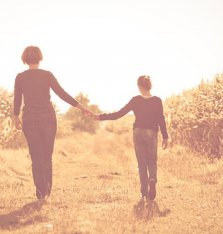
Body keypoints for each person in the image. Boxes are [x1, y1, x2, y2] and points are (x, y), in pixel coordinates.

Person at [13, 46, 92, 200]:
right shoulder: (47, 75)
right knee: (46, 157)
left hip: (30, 119)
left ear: (25, 58)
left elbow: (17, 100)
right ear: (40, 57)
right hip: (48, 119)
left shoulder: (20, 77)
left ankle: (41, 193)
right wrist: (81, 107)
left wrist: (16, 117)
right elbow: (62, 93)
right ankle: (47, 192)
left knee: (36, 157)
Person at [93, 75, 168, 200]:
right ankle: (152, 179)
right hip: (151, 133)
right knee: (152, 161)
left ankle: (144, 192)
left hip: (138, 132)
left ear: (139, 86)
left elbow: (119, 114)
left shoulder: (136, 100)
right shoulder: (157, 100)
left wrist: (101, 117)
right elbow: (161, 119)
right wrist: (165, 137)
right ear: (150, 85)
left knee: (142, 163)